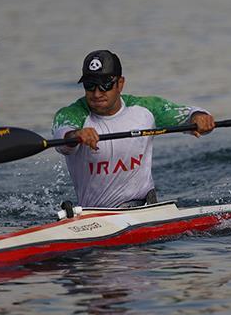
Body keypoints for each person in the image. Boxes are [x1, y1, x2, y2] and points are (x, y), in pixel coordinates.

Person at [52, 50, 215, 208]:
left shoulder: (145, 108)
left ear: (120, 84)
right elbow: (62, 140)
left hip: (145, 208)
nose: (96, 93)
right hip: (96, 216)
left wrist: (199, 117)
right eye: (90, 85)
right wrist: (76, 135)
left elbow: (189, 114)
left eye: (105, 85)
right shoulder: (71, 115)